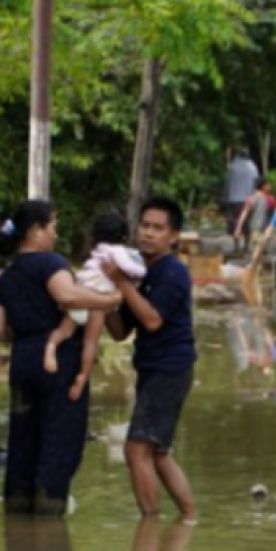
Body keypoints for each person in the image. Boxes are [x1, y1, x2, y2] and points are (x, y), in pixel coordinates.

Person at [0, 200, 122, 516]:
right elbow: (66, 296)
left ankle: (18, 513)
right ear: (36, 231)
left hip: (23, 361)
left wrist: (26, 335)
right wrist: (110, 299)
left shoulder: (6, 276)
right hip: (58, 362)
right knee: (59, 440)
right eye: (53, 227)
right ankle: (49, 516)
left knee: (23, 439)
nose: (55, 234)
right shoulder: (51, 263)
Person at [104, 196, 198, 518]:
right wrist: (100, 296)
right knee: (157, 453)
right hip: (152, 368)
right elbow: (119, 332)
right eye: (144, 226)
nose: (148, 233)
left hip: (169, 369)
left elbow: (153, 319)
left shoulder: (172, 272)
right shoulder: (140, 274)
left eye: (157, 228)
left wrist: (119, 282)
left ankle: (150, 525)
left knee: (135, 449)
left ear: (173, 236)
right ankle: (189, 517)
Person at [44, 211, 146, 401]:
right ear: (123, 236)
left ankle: (50, 348)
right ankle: (82, 378)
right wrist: (144, 271)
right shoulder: (118, 251)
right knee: (90, 343)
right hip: (98, 301)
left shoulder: (97, 250)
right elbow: (131, 269)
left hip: (81, 295)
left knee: (64, 330)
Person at [224, 150, 260, 253]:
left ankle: (236, 246)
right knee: (246, 223)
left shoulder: (232, 166)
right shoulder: (252, 166)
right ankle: (247, 245)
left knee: (234, 223)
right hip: (248, 198)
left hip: (234, 199)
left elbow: (227, 183)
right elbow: (256, 183)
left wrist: (225, 197)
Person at [234, 177, 276, 255]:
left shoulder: (251, 199)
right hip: (265, 230)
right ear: (264, 186)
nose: (270, 186)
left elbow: (244, 215)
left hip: (253, 230)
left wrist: (238, 228)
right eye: (269, 185)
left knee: (257, 251)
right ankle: (256, 266)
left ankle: (257, 265)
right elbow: (275, 216)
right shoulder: (271, 199)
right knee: (261, 252)